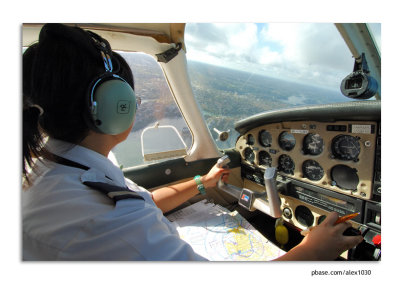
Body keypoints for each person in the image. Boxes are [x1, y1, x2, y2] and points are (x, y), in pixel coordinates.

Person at [22, 23, 363, 261]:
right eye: (130, 98)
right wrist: (315, 251)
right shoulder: (103, 223)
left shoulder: (58, 165)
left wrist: (205, 181)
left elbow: (143, 201)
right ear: (114, 106)